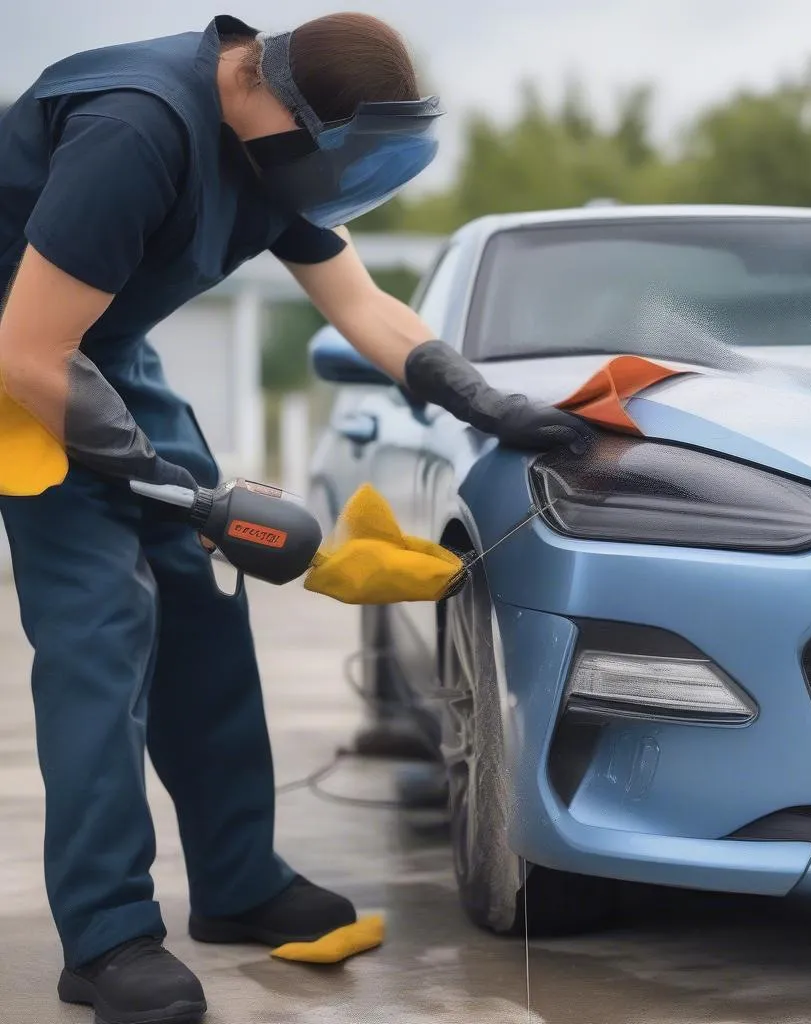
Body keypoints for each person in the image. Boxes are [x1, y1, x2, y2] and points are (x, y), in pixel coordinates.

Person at [0, 14, 590, 1024]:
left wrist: (481, 397)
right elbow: (29, 350)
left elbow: (363, 305)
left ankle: (236, 883)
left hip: (103, 348)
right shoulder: (137, 132)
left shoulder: (284, 149)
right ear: (261, 95)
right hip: (22, 351)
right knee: (102, 631)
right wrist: (180, 491)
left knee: (202, 611)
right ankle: (108, 937)